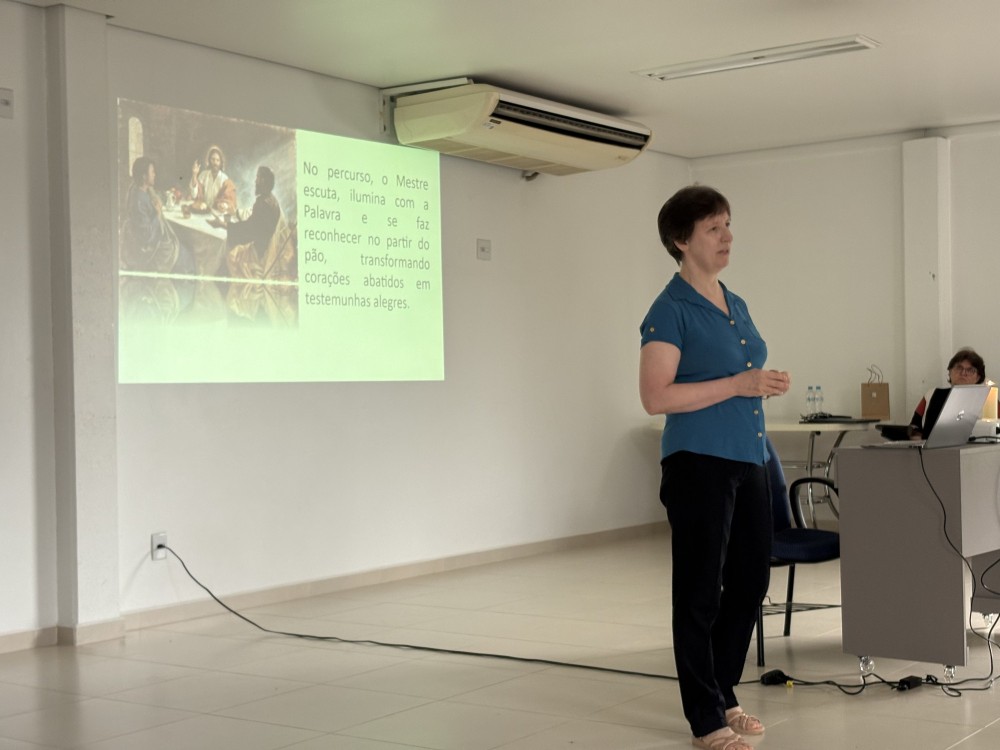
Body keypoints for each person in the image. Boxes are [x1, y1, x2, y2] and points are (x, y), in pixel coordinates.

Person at [638, 185, 790, 750]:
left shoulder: (735, 301)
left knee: (751, 580)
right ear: (682, 241)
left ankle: (723, 691)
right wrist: (738, 384)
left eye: (727, 225)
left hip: (748, 456)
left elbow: (739, 377)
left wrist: (759, 385)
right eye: (713, 228)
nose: (727, 236)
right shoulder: (669, 310)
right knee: (700, 591)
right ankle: (705, 718)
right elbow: (655, 397)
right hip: (698, 463)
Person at [909, 347, 994, 436]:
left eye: (970, 370)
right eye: (959, 368)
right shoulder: (932, 394)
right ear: (950, 372)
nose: (963, 373)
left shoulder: (990, 399)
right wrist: (916, 436)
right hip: (931, 443)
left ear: (978, 377)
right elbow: (914, 425)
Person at [189, 145, 238, 216]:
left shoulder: (225, 180)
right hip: (202, 212)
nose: (215, 163)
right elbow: (194, 195)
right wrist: (194, 175)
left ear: (221, 163)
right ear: (209, 160)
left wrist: (224, 205)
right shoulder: (203, 175)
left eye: (217, 160)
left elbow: (229, 202)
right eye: (213, 159)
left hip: (217, 214)